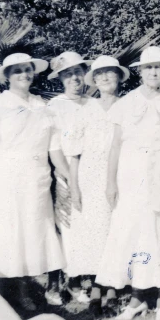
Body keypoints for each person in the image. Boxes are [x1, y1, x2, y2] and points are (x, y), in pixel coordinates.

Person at [96, 46, 160, 320]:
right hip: (130, 175)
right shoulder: (126, 103)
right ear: (140, 72)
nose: (154, 72)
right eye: (148, 67)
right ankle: (136, 299)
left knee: (157, 234)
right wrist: (110, 182)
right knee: (132, 235)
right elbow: (115, 147)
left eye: (158, 67)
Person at [0, 53, 66, 312]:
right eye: (17, 71)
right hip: (7, 176)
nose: (24, 75)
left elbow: (54, 147)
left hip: (37, 176)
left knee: (35, 230)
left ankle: (43, 288)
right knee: (9, 232)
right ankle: (14, 293)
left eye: (27, 70)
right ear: (8, 77)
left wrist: (68, 175)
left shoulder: (42, 106)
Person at [62, 56, 128, 315]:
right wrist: (74, 186)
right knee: (95, 233)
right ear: (95, 80)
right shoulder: (85, 110)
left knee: (116, 230)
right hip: (90, 177)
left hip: (122, 174)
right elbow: (73, 152)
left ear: (119, 76)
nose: (105, 78)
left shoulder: (128, 106)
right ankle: (97, 291)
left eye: (110, 73)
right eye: (99, 74)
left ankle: (112, 290)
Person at [46, 51, 92, 304]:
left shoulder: (92, 103)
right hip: (66, 176)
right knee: (68, 228)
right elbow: (54, 150)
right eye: (68, 74)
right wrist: (69, 179)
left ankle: (81, 281)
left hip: (92, 175)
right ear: (61, 78)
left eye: (78, 72)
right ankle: (63, 283)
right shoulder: (55, 107)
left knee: (88, 228)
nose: (74, 78)